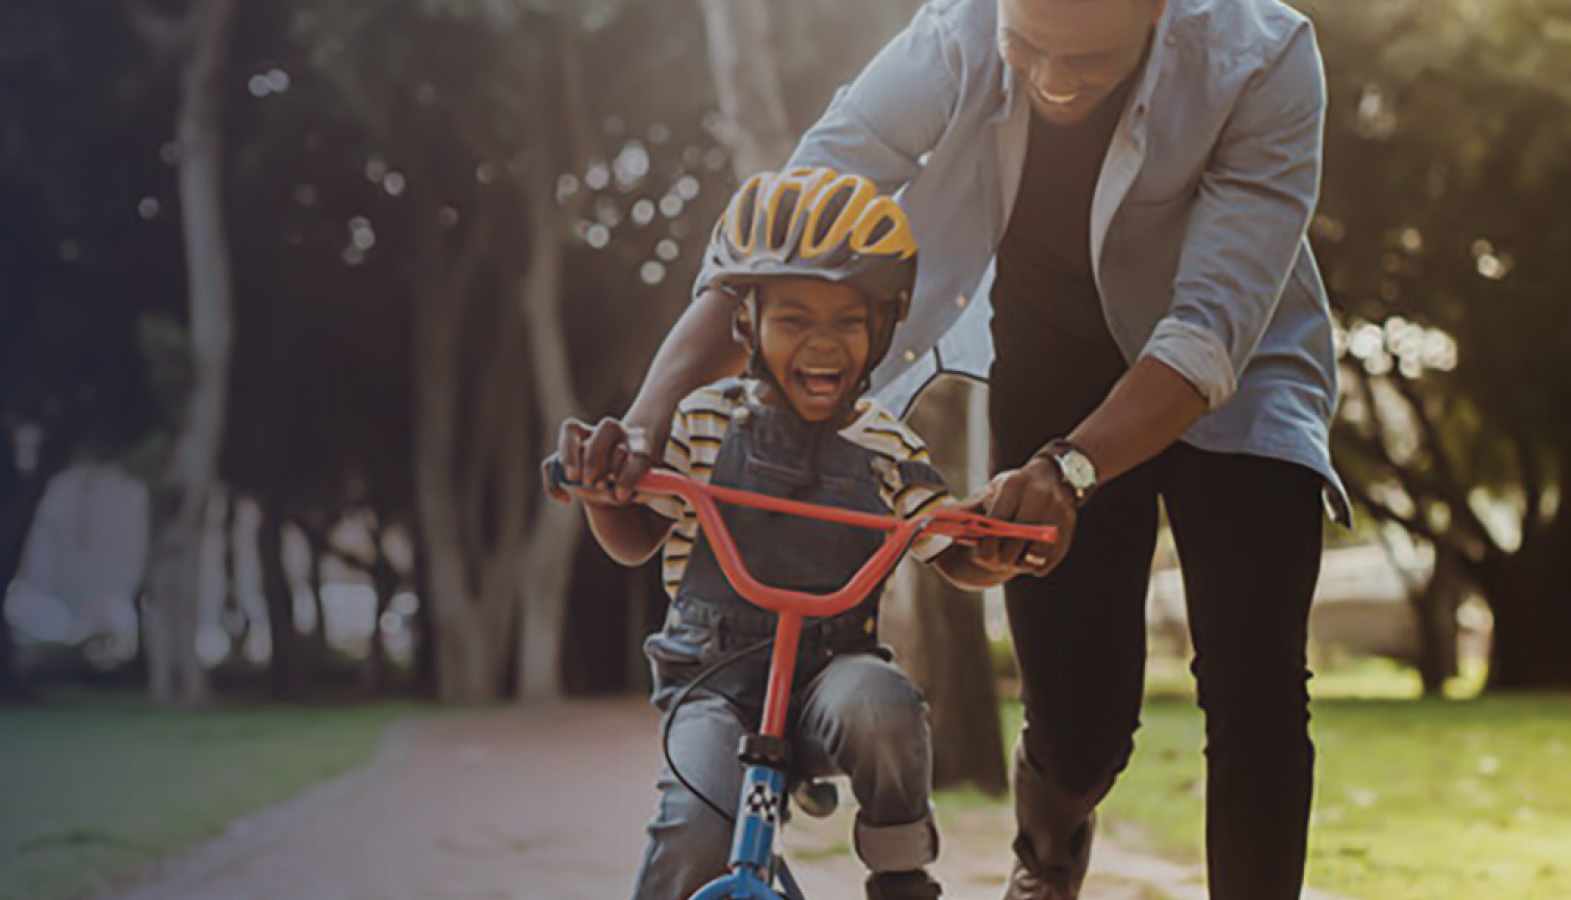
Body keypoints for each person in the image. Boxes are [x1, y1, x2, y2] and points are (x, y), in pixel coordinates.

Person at [563, 1, 1350, 897]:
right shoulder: (957, 36)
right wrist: (648, 419)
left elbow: (1207, 333)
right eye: (1029, 49)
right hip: (1057, 369)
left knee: (1256, 689)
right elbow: (790, 223)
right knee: (1082, 730)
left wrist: (1072, 470)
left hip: (1240, 375)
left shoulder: (1263, 56)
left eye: (1086, 61)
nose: (1054, 82)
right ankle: (1049, 846)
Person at [552, 167, 1012, 900]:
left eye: (848, 321)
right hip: (713, 680)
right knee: (697, 827)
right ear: (747, 325)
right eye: (794, 319)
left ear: (884, 324)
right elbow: (636, 536)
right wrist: (605, 493)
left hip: (833, 676)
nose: (823, 346)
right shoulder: (704, 419)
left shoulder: (888, 443)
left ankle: (902, 873)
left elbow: (945, 542)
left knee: (885, 704)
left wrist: (992, 550)